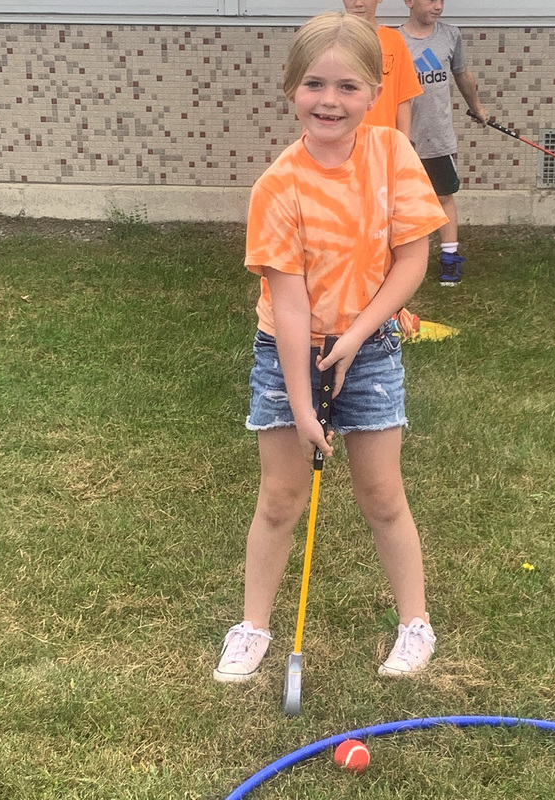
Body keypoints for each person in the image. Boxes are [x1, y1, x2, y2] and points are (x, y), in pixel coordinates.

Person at [213, 11, 448, 685]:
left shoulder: (391, 157)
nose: (330, 100)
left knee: (381, 493)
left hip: (368, 345)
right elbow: (287, 303)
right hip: (284, 350)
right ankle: (253, 627)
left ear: (375, 93)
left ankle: (415, 624)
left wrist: (353, 336)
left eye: (348, 87)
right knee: (281, 497)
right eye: (315, 84)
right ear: (292, 88)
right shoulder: (277, 188)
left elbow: (410, 260)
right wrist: (300, 397)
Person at [401, 0, 488, 285]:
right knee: (401, 202)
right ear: (409, 2)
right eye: (430, 0)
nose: (438, 7)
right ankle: (399, 263)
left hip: (437, 135)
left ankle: (450, 260)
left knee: (443, 196)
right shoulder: (393, 40)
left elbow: (462, 73)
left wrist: (476, 106)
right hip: (402, 137)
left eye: (441, 1)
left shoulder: (451, 35)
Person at [342, 0, 422, 137]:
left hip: (382, 141)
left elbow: (403, 99)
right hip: (340, 141)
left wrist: (404, 142)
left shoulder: (394, 40)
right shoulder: (333, 40)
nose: (358, 3)